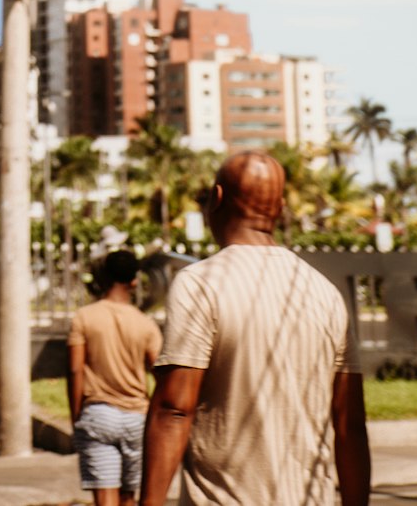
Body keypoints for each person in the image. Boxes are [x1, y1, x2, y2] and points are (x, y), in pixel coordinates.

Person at [140, 150, 371, 506]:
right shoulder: (325, 293)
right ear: (278, 208)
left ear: (216, 199)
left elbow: (174, 409)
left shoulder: (201, 283)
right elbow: (350, 425)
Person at [67, 249, 162, 506]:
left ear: (105, 277)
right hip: (137, 419)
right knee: (128, 497)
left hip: (98, 415)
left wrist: (76, 417)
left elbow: (75, 370)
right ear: (134, 281)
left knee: (105, 499)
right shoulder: (146, 324)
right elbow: (160, 375)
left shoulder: (84, 317)